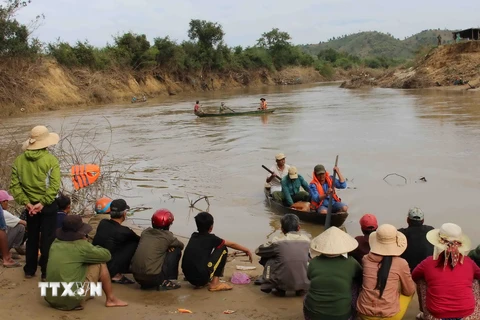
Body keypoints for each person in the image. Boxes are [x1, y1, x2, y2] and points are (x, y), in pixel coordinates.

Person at [44, 215, 127, 310]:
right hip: (70, 300)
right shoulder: (81, 246)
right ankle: (111, 299)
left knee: (78, 264)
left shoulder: (55, 243)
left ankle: (87, 292)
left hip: (50, 297)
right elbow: (106, 255)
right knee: (100, 263)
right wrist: (89, 245)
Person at [10, 125, 61, 280]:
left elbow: (14, 185)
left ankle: (29, 270)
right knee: (47, 238)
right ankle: (45, 272)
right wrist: (43, 203)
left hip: (30, 206)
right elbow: (54, 186)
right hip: (48, 205)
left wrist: (27, 203)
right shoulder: (51, 160)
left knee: (32, 236)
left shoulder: (19, 161)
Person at [412, 223, 480, 320]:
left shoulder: (428, 262)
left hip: (437, 314)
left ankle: (425, 313)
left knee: (421, 280)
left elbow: (414, 275)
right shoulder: (469, 262)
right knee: (475, 281)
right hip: (466, 314)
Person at [181, 211, 253, 291]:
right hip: (201, 278)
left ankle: (201, 281)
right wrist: (246, 250)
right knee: (223, 249)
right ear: (211, 227)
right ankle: (215, 283)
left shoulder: (193, 236)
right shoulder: (212, 238)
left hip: (188, 276)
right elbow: (231, 244)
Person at [356, 224, 416, 320]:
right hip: (390, 316)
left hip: (364, 312)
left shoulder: (366, 259)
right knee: (411, 289)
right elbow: (409, 291)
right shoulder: (401, 263)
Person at [303, 226, 362, 320]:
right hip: (342, 316)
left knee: (308, 293)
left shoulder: (313, 262)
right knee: (355, 284)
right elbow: (360, 278)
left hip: (312, 315)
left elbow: (309, 277)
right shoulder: (351, 262)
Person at [255, 214, 311, 297]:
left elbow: (259, 251)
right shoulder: (307, 240)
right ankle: (301, 288)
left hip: (282, 281)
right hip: (304, 282)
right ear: (299, 228)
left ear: (282, 229)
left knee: (268, 257)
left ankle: (276, 286)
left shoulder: (278, 241)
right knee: (306, 259)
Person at [131, 209, 184, 290]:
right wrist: (169, 246)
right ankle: (167, 280)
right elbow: (181, 245)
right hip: (153, 278)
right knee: (176, 250)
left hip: (136, 276)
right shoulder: (168, 237)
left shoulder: (145, 233)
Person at [92, 199, 139, 284]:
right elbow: (140, 240)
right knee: (134, 244)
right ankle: (115, 275)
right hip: (108, 267)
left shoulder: (103, 223)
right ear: (124, 214)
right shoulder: (124, 231)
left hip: (95, 263)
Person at [398, 207, 434, 272]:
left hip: (407, 271)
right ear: (423, 221)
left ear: (407, 220)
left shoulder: (400, 234)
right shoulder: (430, 231)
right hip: (426, 271)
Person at [0, 190, 26, 257]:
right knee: (20, 227)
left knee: (10, 225)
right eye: (7, 201)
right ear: (3, 202)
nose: (8, 203)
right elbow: (23, 223)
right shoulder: (3, 213)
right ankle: (5, 252)